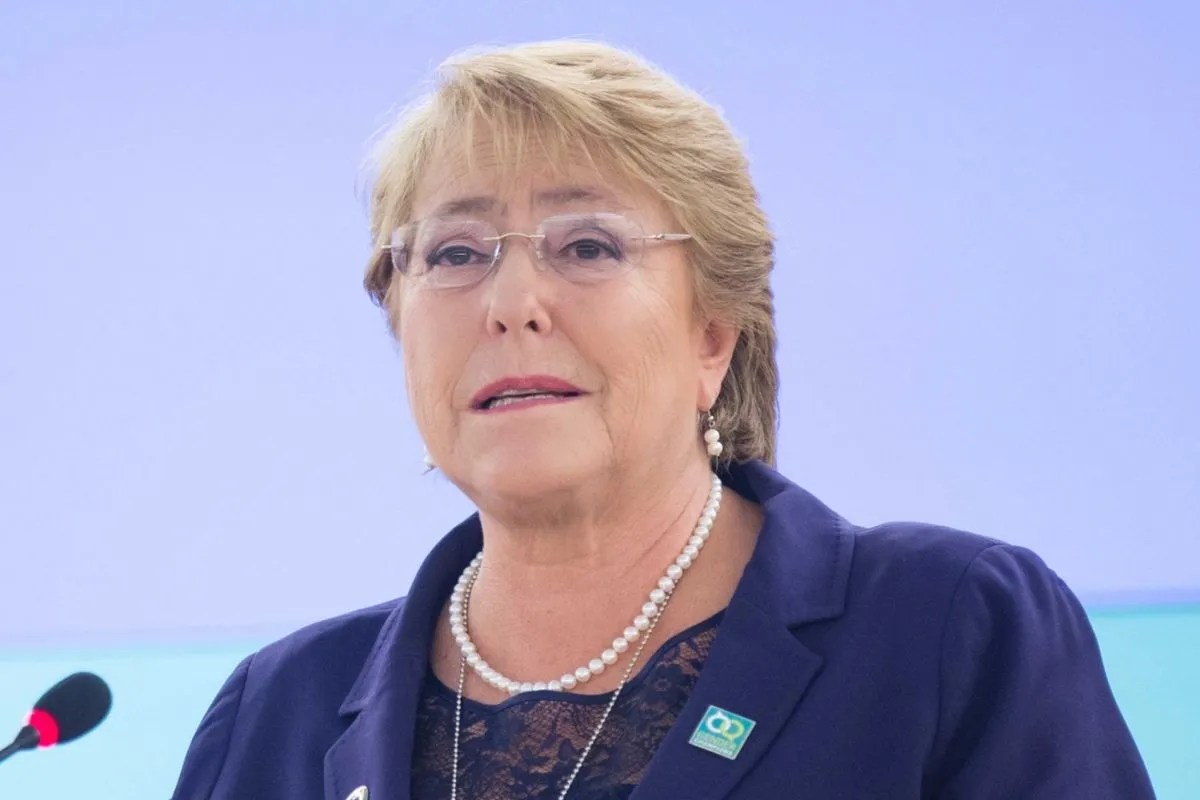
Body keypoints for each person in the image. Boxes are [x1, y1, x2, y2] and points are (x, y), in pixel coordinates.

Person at [171, 40, 1155, 800]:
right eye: (455, 253)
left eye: (588, 245)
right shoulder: (276, 716)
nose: (510, 303)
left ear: (712, 336)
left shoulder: (946, 631)